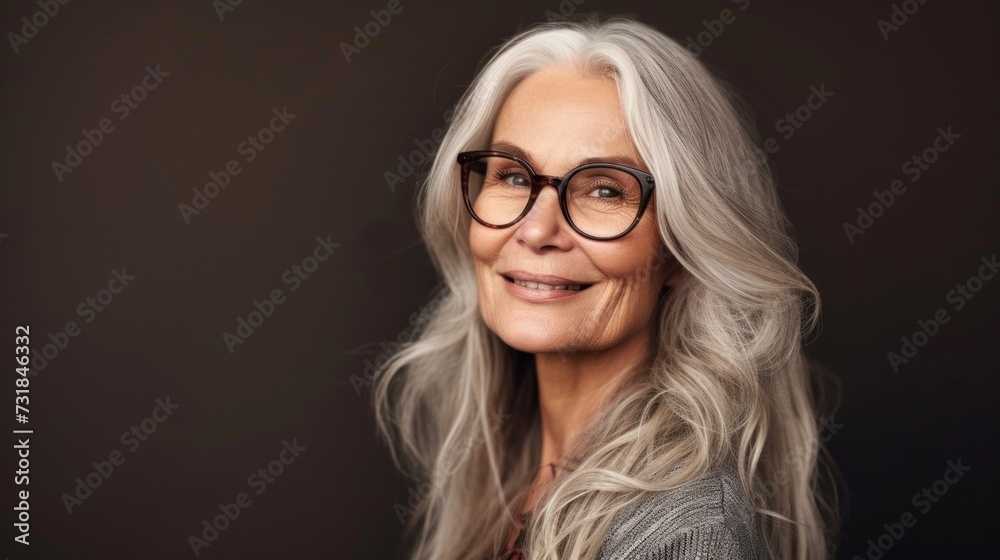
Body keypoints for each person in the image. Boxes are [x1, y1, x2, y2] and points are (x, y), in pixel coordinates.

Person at [373, 14, 839, 560]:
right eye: (514, 177)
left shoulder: (685, 537)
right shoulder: (503, 469)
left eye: (604, 191)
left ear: (682, 248)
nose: (537, 230)